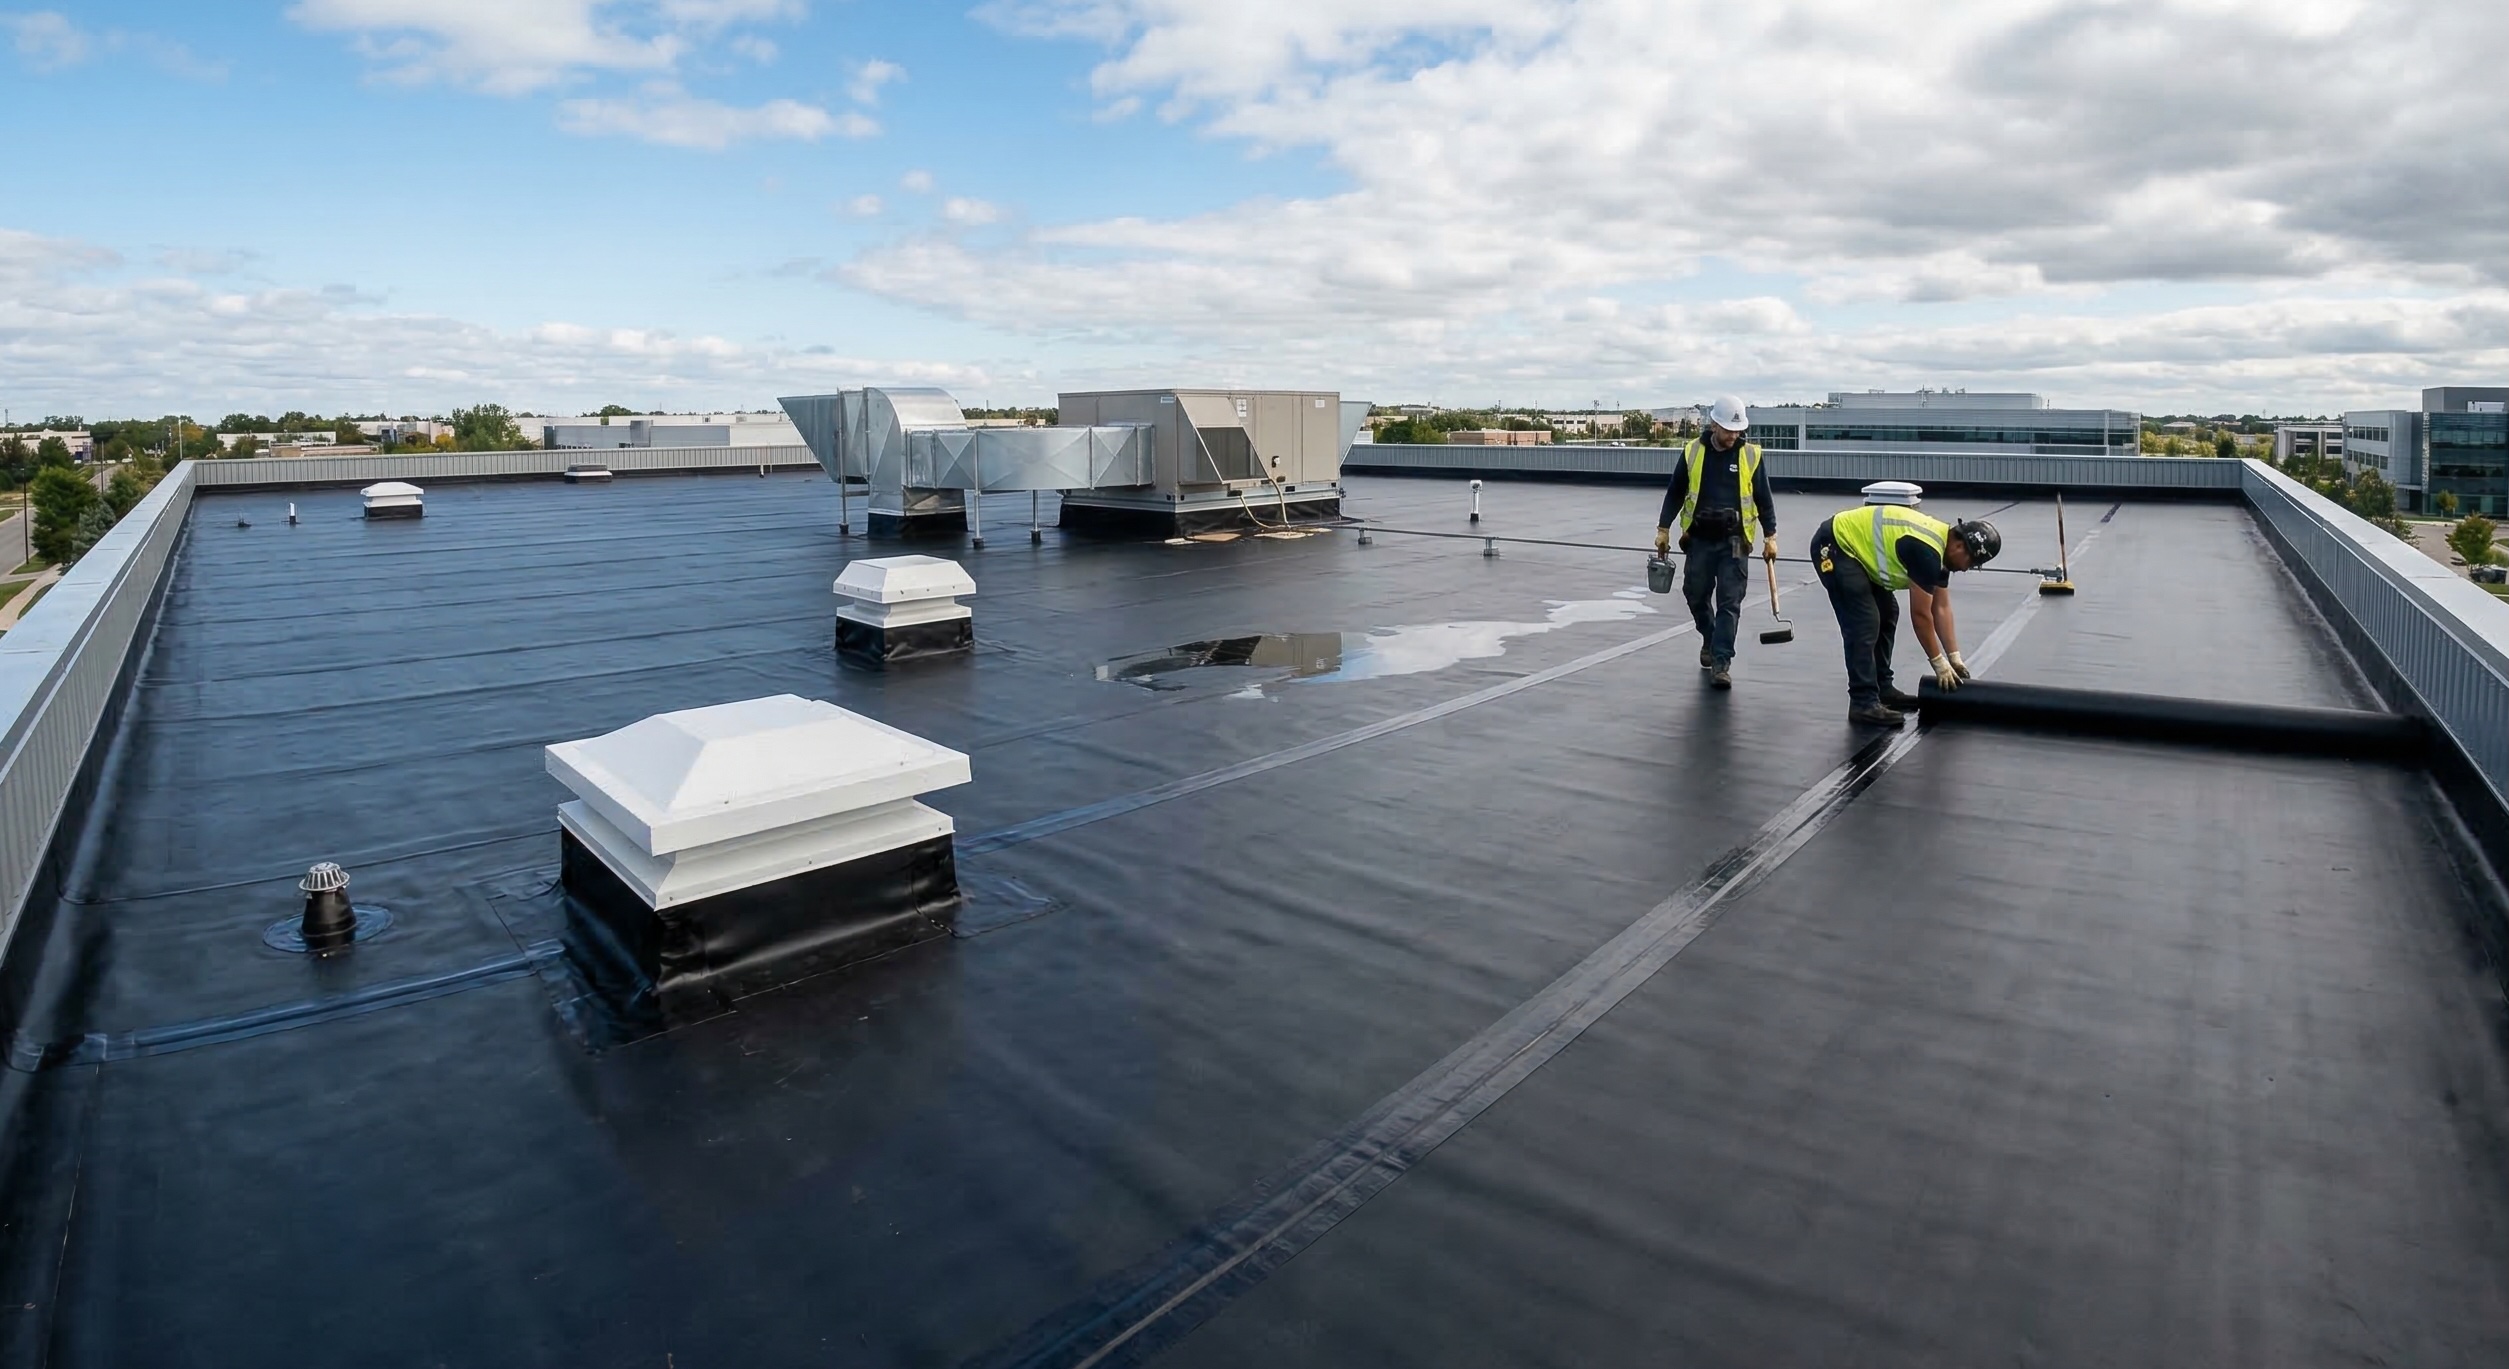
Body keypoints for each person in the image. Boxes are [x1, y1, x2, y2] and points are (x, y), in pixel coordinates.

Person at [1809, 502, 2002, 725]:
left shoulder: (1941, 550)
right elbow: (1921, 616)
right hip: (1835, 546)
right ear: (1960, 545)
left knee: (1888, 612)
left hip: (1856, 552)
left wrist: (1955, 658)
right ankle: (1863, 702)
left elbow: (1941, 608)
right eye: (1971, 561)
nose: (1967, 568)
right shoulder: (1927, 551)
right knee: (1865, 622)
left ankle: (1882, 689)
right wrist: (1939, 664)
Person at [1653, 395, 1776, 690]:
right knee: (1695, 594)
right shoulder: (1693, 453)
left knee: (1730, 601)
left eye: (1738, 430)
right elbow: (1675, 492)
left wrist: (1771, 536)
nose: (1734, 435)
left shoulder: (1750, 456)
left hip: (1736, 541)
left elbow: (1764, 498)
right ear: (1713, 425)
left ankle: (1721, 661)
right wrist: (1663, 529)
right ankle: (1710, 637)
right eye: (1728, 430)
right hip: (1699, 539)